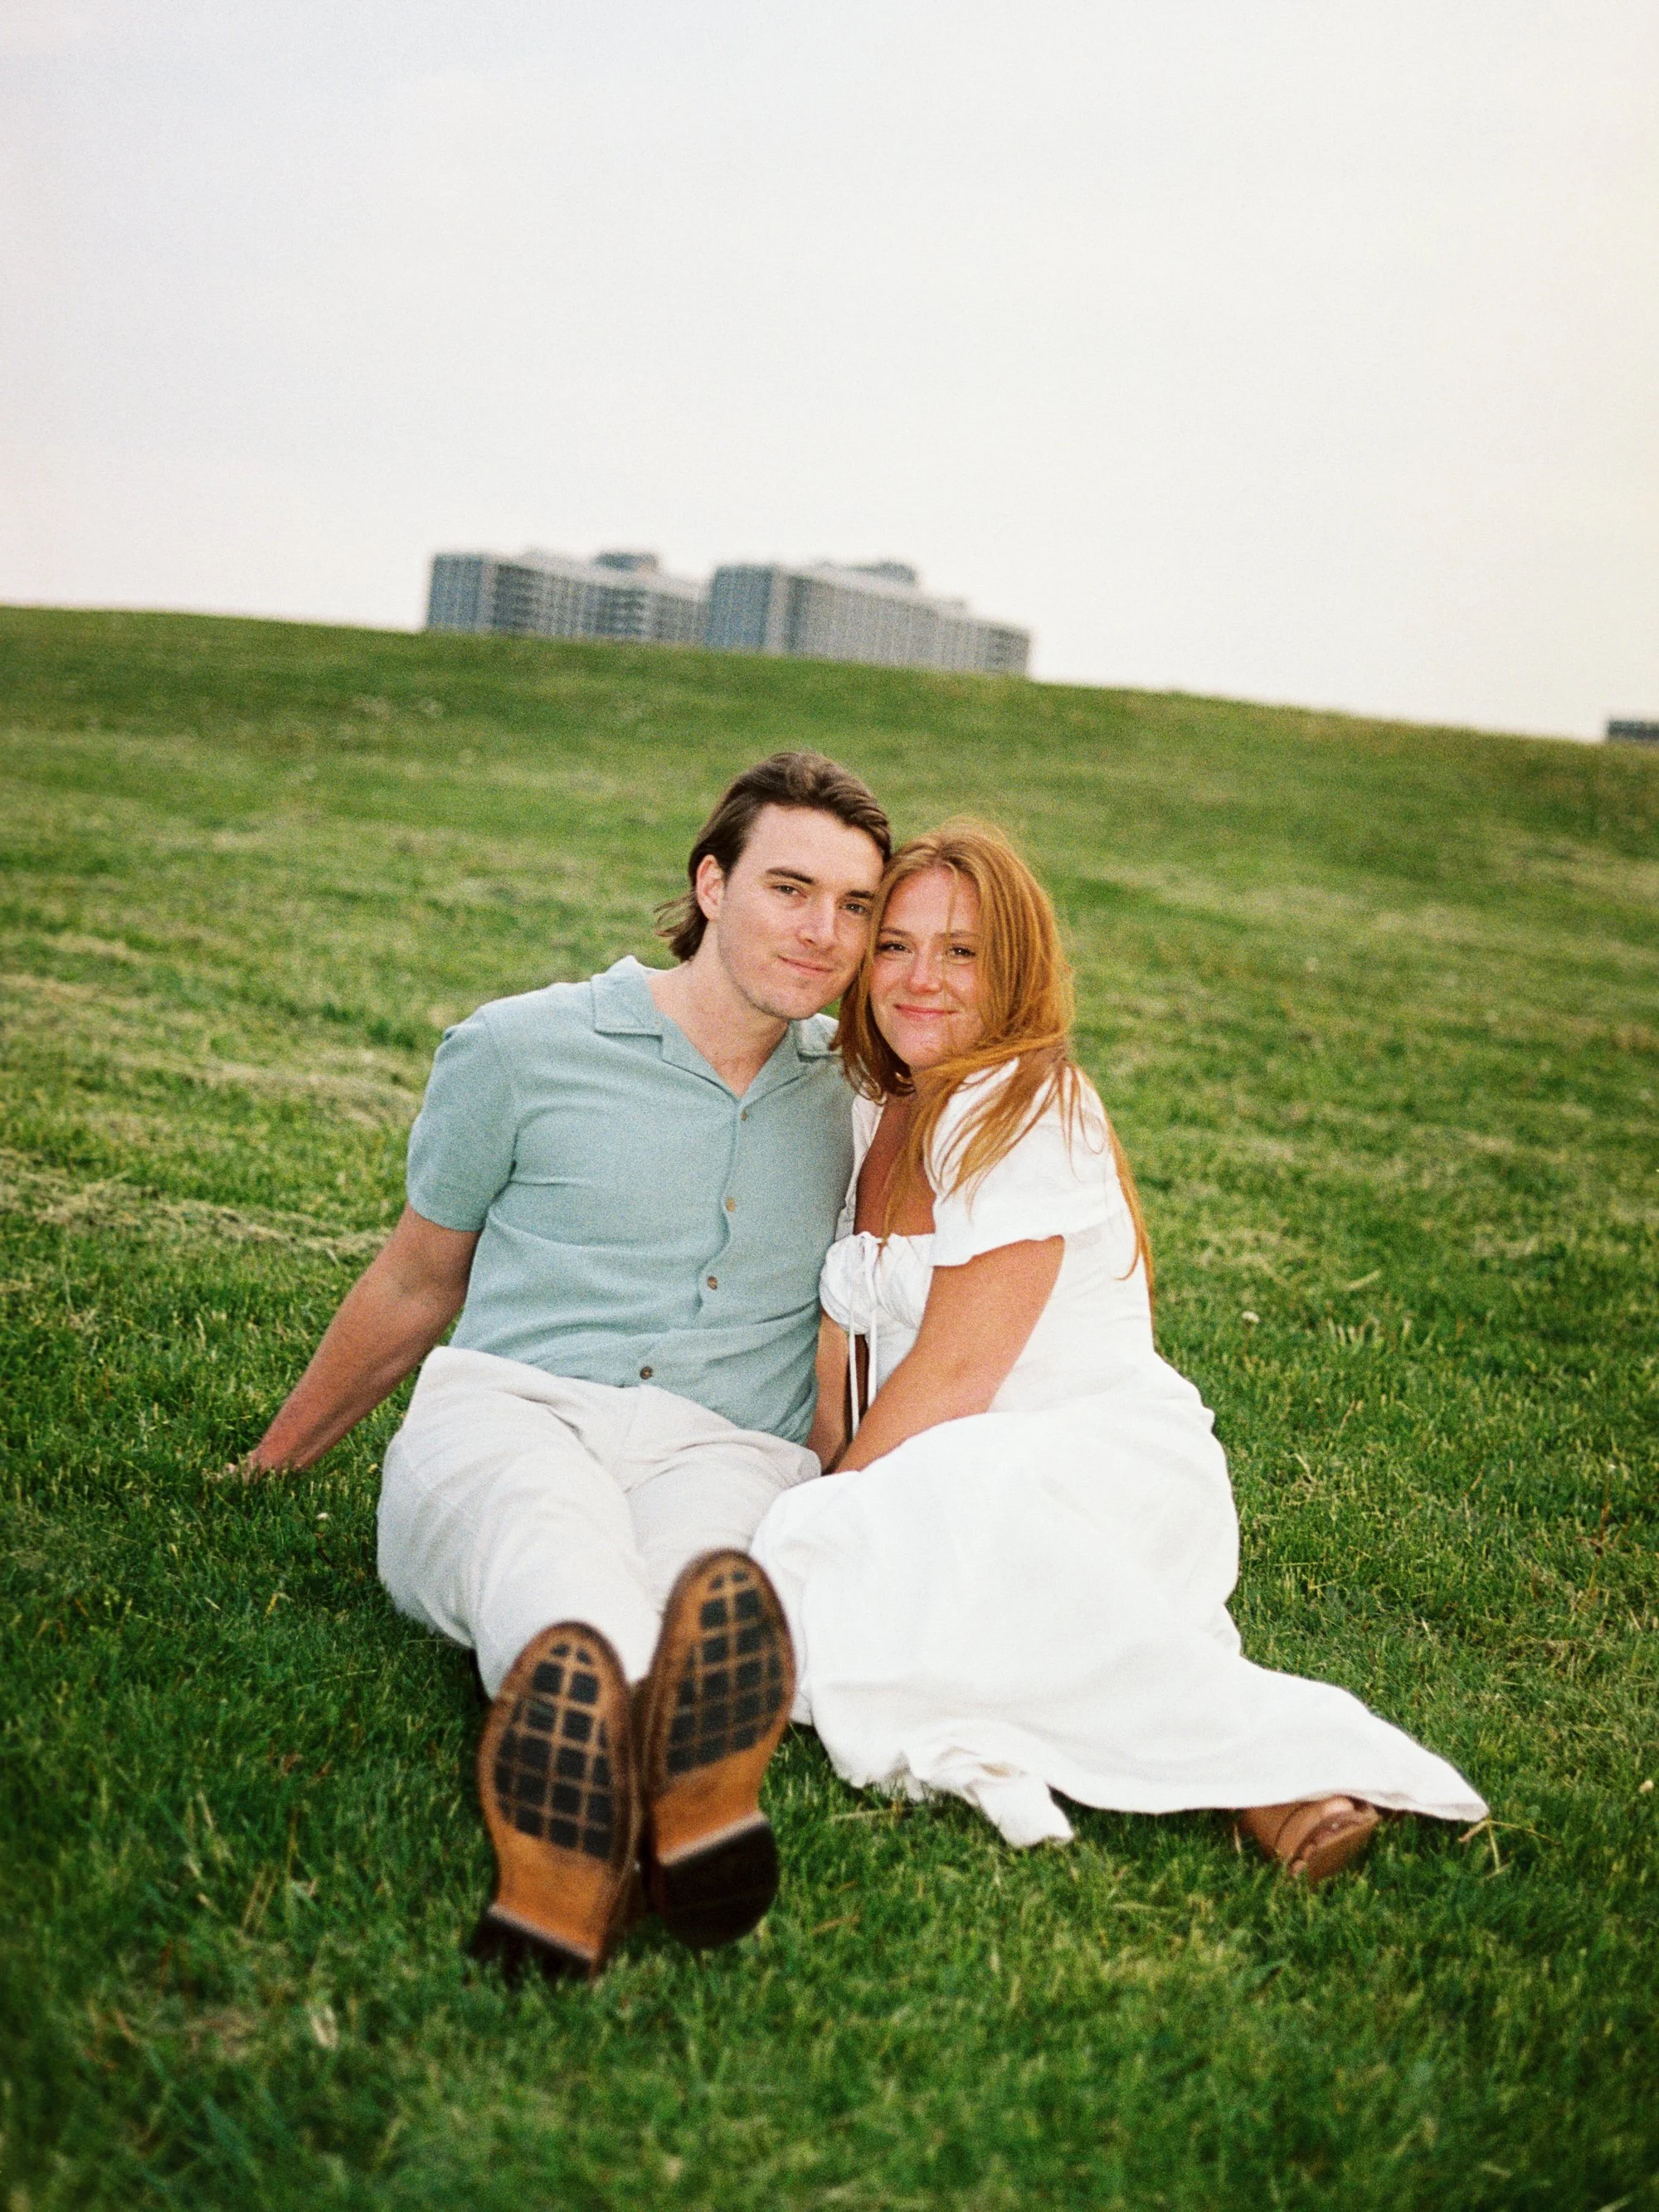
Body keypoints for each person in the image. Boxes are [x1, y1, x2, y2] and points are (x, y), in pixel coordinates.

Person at [242, 751, 891, 1976]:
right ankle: (655, 1797)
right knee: (544, 1530)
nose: (824, 932)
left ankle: (578, 1850)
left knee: (715, 1573)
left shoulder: (861, 1102)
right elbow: (415, 1277)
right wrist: (277, 1459)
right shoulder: (518, 1047)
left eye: (856, 906)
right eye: (791, 888)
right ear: (711, 882)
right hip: (515, 1411)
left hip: (727, 1444)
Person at [750, 822, 1486, 1872]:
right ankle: (1225, 1779)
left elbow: (956, 1374)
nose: (922, 979)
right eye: (897, 945)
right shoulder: (875, 1105)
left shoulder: (1024, 1106)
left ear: (1015, 969)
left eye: (962, 951)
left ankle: (1288, 1778)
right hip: (949, 1467)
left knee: (850, 1550)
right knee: (859, 1572)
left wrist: (825, 1511)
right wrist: (820, 1479)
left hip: (1083, 1466)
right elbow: (846, 1344)